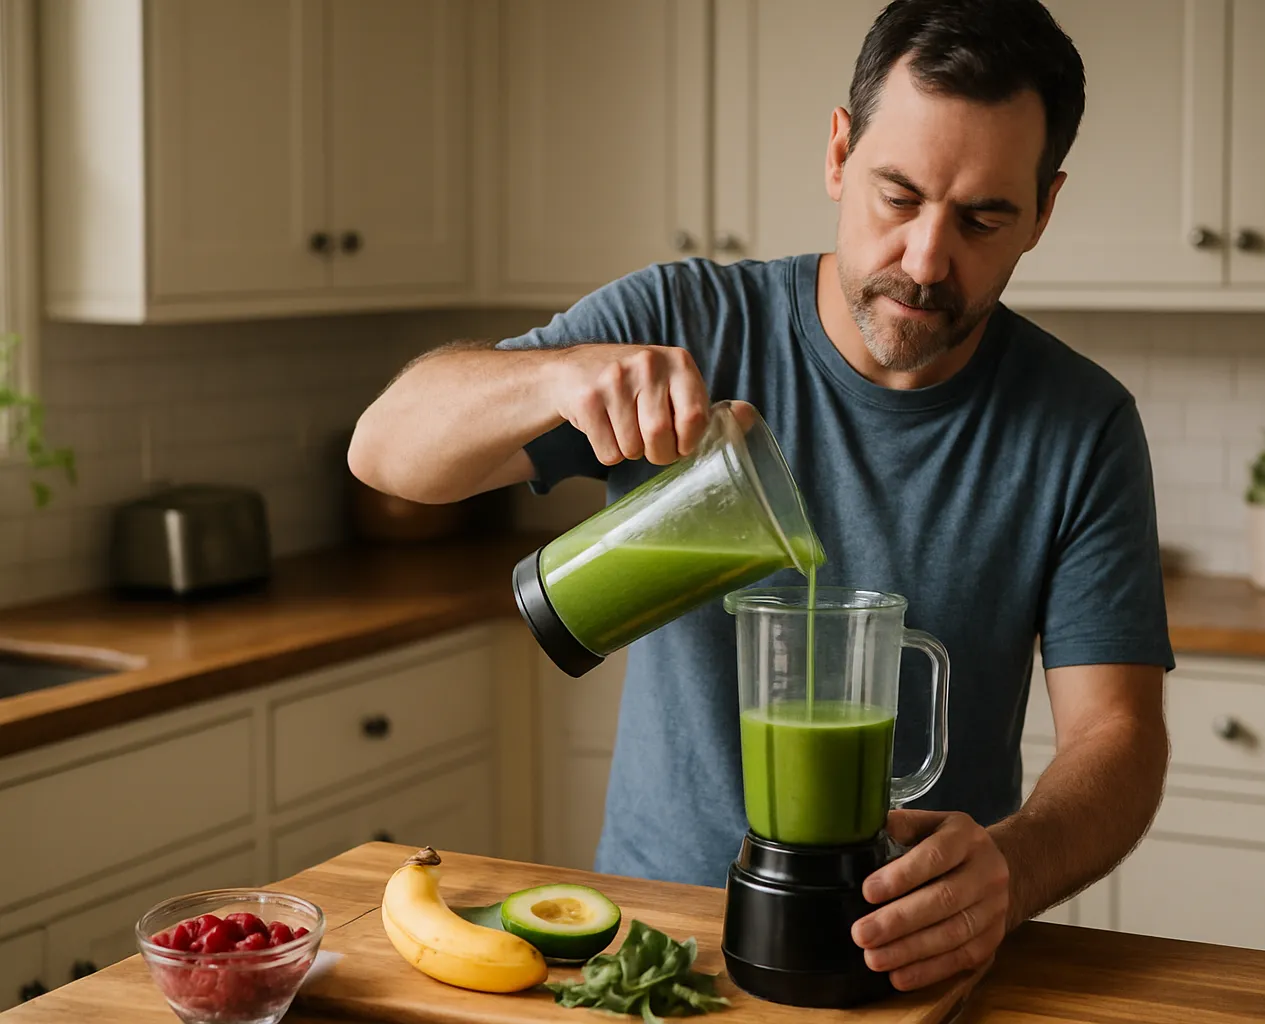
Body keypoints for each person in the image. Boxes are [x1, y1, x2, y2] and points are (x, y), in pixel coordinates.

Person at [349, 0, 1173, 993]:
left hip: (916, 952)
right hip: (653, 947)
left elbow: (1117, 736)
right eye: (897, 195)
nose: (924, 260)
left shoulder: (1081, 427)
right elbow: (385, 450)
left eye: (983, 217)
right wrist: (555, 378)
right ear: (838, 153)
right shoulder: (684, 320)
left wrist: (1019, 863)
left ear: (1043, 210)